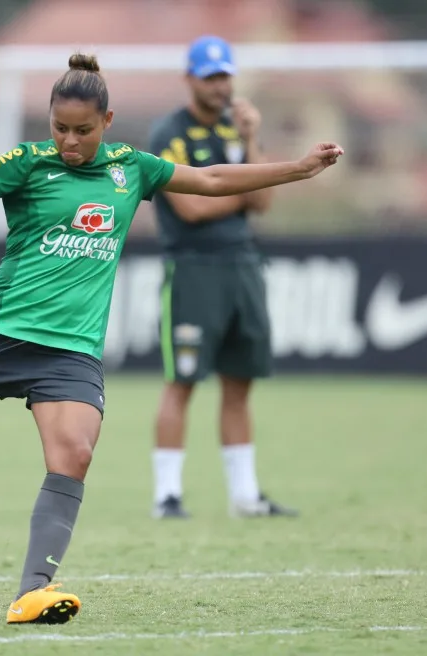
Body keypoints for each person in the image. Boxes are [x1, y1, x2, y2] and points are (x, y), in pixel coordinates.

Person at [0, 52, 343, 626]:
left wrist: (297, 169)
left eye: (83, 131)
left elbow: (209, 180)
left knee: (74, 456)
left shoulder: (132, 167)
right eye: (60, 128)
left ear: (108, 121)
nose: (70, 141)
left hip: (70, 351)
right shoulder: (27, 163)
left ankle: (31, 592)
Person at [148, 36, 297, 520]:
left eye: (225, 75)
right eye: (210, 76)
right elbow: (191, 207)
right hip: (193, 270)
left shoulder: (238, 131)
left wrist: (252, 140)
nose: (219, 85)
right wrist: (243, 190)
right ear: (190, 79)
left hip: (242, 266)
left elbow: (266, 201)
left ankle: (246, 497)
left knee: (240, 383)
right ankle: (167, 495)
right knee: (182, 382)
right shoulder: (169, 134)